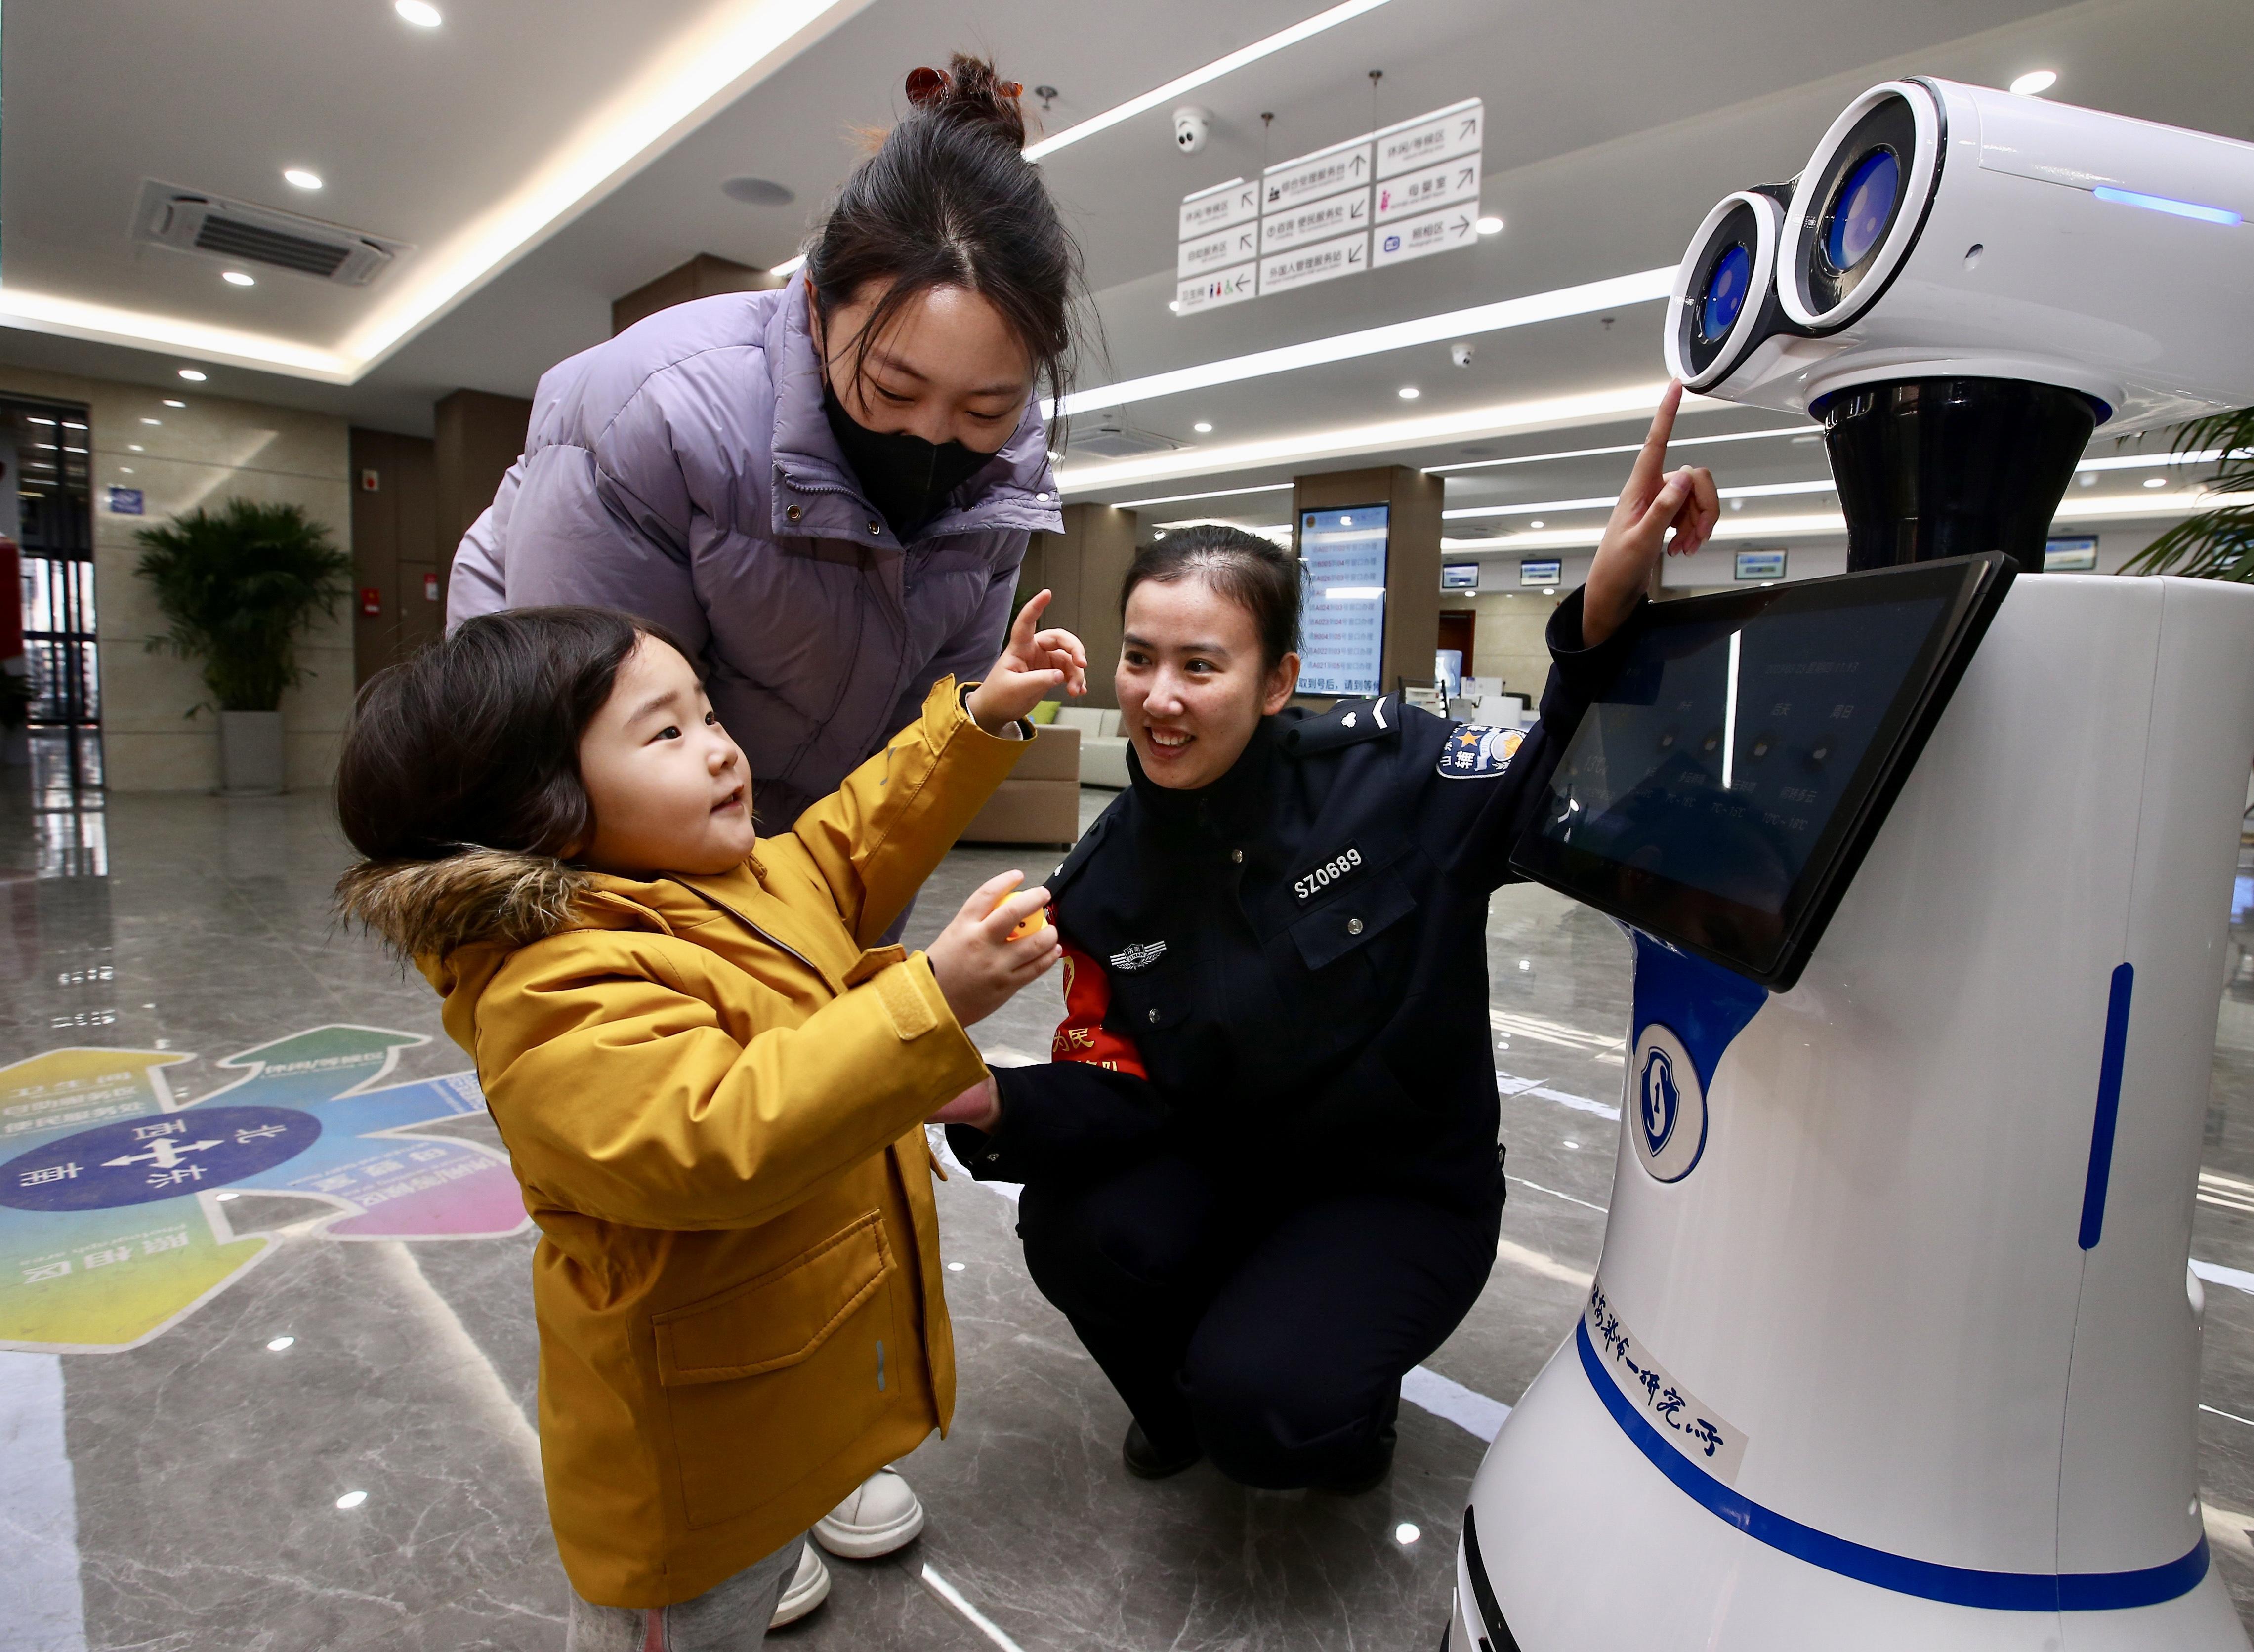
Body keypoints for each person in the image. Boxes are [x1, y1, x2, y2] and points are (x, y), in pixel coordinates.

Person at [942, 383, 1720, 1491]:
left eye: (1200, 665)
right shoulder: (1103, 881)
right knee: (1076, 1226)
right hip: (1223, 1162)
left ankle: (1327, 1416)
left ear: (1278, 683)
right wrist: (996, 1103)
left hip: (1396, 1188)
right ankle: (1177, 1408)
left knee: (1276, 1408)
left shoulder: (1391, 776)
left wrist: (1598, 620)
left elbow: (1562, 784)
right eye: (1139, 659)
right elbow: (1120, 1083)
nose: (1159, 698)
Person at [332, 597, 1083, 1647]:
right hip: (692, 1447)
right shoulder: (550, 986)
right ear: (545, 808)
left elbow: (852, 838)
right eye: (667, 734)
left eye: (710, 714)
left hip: (782, 1384)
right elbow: (713, 1141)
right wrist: (931, 1000)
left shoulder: (731, 875)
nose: (722, 749)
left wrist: (980, 719)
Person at [448, 54, 1080, 838]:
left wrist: (851, 908)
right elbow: (602, 764)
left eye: (986, 407)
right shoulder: (653, 415)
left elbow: (908, 766)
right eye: (893, 390)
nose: (933, 435)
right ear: (815, 308)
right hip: (585, 813)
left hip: (784, 846)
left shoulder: (1004, 483)